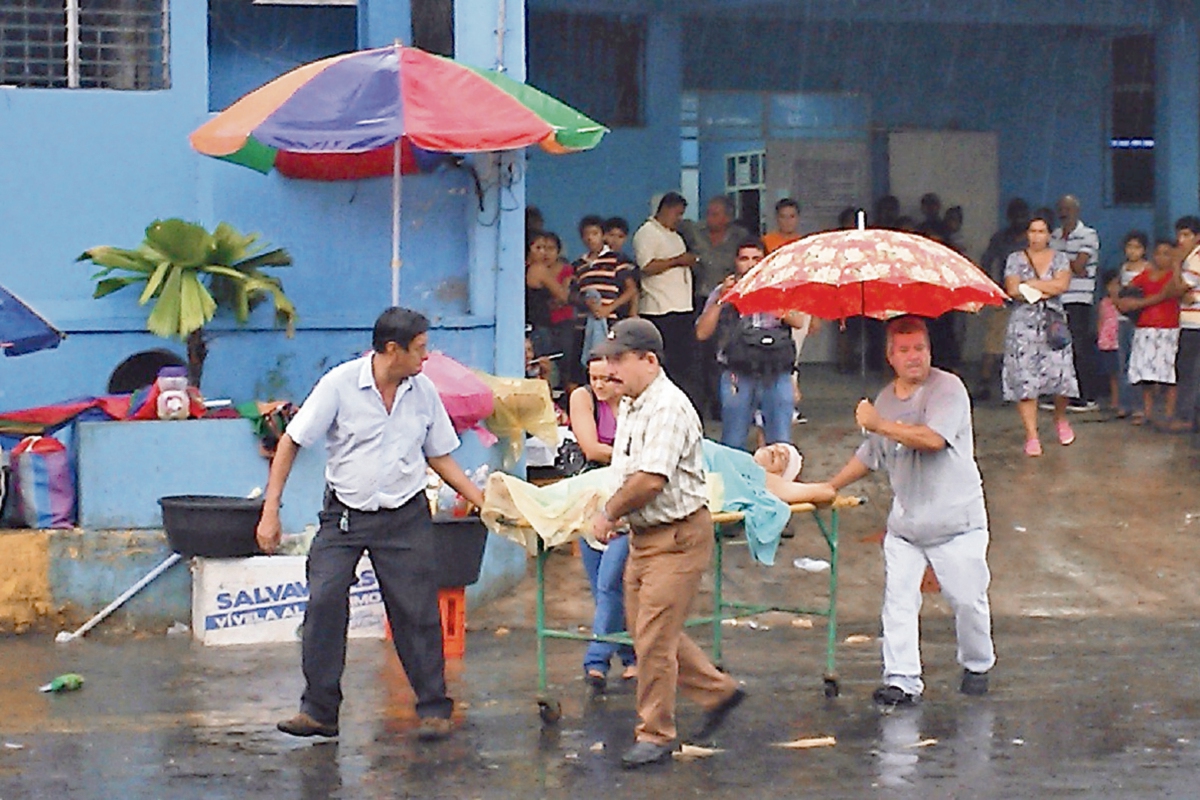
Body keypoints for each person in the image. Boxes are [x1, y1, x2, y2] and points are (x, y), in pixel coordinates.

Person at [259, 307, 486, 742]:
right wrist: (271, 511)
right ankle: (319, 710)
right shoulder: (340, 385)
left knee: (416, 610)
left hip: (404, 515)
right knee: (324, 602)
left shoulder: (423, 392)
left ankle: (434, 708)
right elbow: (291, 442)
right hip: (345, 514)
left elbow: (438, 454)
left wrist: (481, 501)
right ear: (391, 349)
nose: (427, 356)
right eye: (419, 348)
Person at [589, 318, 744, 768]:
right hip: (645, 535)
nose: (610, 369)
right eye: (608, 358)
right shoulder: (634, 403)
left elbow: (651, 480)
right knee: (647, 632)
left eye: (620, 360)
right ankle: (719, 693)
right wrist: (616, 511)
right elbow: (628, 472)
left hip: (676, 537)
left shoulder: (668, 408)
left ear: (649, 361)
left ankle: (656, 733)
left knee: (653, 639)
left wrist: (610, 512)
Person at [824, 316, 995, 706]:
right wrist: (829, 486)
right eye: (904, 350)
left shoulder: (948, 388)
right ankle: (902, 678)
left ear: (930, 350)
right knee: (898, 601)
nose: (914, 357)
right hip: (906, 525)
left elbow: (932, 439)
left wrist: (879, 423)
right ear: (889, 356)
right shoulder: (882, 400)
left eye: (919, 348)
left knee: (968, 601)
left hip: (957, 523)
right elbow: (870, 455)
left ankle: (977, 663)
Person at [694, 238, 803, 449]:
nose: (750, 264)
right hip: (737, 370)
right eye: (744, 259)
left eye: (756, 259)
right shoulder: (722, 290)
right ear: (736, 261)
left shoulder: (778, 288)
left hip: (776, 369)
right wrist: (723, 299)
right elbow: (701, 333)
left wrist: (767, 298)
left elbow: (797, 320)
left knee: (780, 439)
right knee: (733, 438)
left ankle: (779, 481)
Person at [569, 353, 636, 691]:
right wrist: (632, 456)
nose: (599, 385)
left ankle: (595, 660)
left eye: (606, 379)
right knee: (601, 586)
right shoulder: (582, 398)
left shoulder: (635, 401)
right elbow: (591, 448)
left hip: (628, 498)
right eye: (593, 377)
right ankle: (630, 655)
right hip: (591, 495)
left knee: (612, 580)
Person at [1001, 212, 1079, 456]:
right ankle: (1032, 435)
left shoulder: (1060, 258)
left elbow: (1062, 285)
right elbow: (1013, 289)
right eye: (1032, 231)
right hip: (1023, 325)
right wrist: (1046, 287)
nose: (1036, 236)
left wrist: (1032, 285)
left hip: (1052, 323)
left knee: (1061, 374)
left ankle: (1060, 418)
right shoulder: (1015, 258)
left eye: (1041, 231)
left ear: (1049, 234)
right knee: (1025, 378)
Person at [632, 192, 700, 404]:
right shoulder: (647, 233)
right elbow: (647, 266)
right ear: (666, 209)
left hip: (681, 306)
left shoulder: (674, 235)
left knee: (684, 363)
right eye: (677, 213)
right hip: (660, 308)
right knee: (667, 362)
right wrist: (678, 261)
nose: (679, 218)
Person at [1119, 240, 1184, 426]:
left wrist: (1139, 304)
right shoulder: (1145, 275)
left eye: (1167, 254)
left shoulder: (1174, 276)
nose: (1161, 257)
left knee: (1168, 374)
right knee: (1146, 375)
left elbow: (1173, 291)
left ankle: (1169, 413)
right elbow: (1125, 294)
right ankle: (1147, 412)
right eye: (1158, 253)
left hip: (1168, 328)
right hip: (1144, 328)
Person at [975, 198, 1031, 401]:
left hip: (1028, 298)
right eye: (1016, 215)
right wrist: (992, 288)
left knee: (1024, 345)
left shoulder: (1032, 240)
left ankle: (1020, 387)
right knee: (993, 342)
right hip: (1004, 296)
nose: (1019, 219)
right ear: (1009, 217)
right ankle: (984, 382)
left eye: (1022, 215)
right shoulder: (1001, 238)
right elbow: (987, 262)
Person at [1051, 195, 1102, 412]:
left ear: (1077, 210)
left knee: (1079, 347)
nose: (1064, 212)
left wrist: (1057, 259)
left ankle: (1086, 396)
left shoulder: (1088, 235)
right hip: (1057, 298)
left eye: (1068, 208)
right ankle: (1063, 394)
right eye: (1061, 208)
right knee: (1057, 346)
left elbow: (1080, 267)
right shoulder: (1054, 235)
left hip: (1079, 298)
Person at [573, 215, 639, 369]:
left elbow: (631, 290)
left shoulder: (617, 259)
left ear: (603, 235)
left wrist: (608, 309)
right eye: (586, 235)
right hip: (584, 323)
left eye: (594, 234)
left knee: (610, 364)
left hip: (609, 321)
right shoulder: (579, 265)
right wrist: (585, 302)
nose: (590, 238)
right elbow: (573, 294)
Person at [525, 231, 579, 391]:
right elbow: (562, 296)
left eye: (546, 248)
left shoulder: (519, 268)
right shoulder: (538, 269)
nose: (543, 253)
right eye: (538, 248)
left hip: (527, 327)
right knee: (546, 373)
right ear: (528, 249)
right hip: (541, 329)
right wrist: (567, 281)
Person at [1167, 216, 1200, 433]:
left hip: (1195, 324)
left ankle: (1186, 417)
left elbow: (1179, 290)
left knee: (1188, 371)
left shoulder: (1194, 259)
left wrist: (1176, 265)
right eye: (1179, 234)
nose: (1181, 240)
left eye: (1186, 235)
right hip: (1190, 321)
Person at [1113, 231, 1150, 418]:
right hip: (1123, 319)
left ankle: (1139, 406)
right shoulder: (1124, 268)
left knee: (1138, 363)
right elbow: (1116, 290)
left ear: (1144, 250)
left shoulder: (1147, 268)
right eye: (1129, 247)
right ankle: (1124, 403)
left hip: (1140, 321)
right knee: (1123, 362)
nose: (1132, 251)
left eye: (1137, 247)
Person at [1097, 270, 1122, 413]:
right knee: (1112, 373)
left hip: (1120, 340)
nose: (1114, 288)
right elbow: (1101, 320)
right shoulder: (1104, 303)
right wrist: (1101, 337)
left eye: (1117, 285)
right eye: (1111, 285)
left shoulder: (1125, 302)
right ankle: (1115, 400)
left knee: (1121, 372)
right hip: (1108, 341)